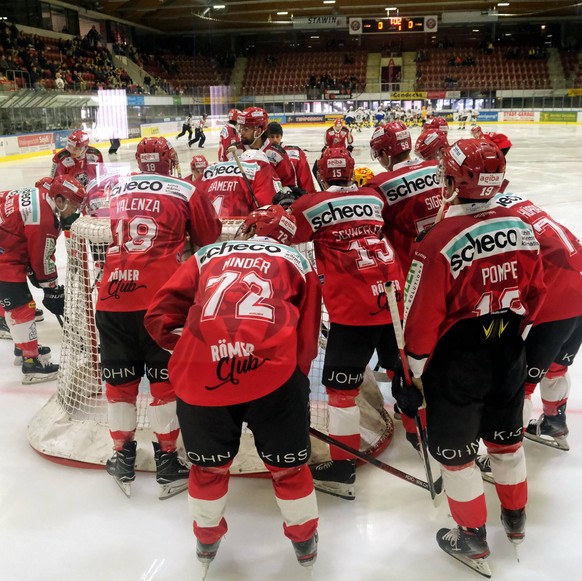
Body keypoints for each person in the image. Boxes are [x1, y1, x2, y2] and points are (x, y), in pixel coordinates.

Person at [392, 139, 546, 576]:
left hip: (460, 360)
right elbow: (538, 294)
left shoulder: (436, 240)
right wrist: (514, 333)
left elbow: (421, 321)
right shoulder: (522, 227)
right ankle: (515, 520)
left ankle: (473, 539)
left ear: (454, 179)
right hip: (509, 347)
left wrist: (414, 372)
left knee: (456, 453)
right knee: (506, 441)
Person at [144, 205, 322, 575]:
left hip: (200, 377)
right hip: (273, 379)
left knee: (208, 471)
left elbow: (159, 316)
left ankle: (206, 538)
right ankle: (304, 540)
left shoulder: (207, 254)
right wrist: (294, 382)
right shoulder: (299, 262)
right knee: (288, 470)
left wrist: (198, 349)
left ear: (245, 229)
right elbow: (307, 342)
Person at [95, 136, 222, 499]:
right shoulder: (185, 189)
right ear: (170, 160)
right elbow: (208, 239)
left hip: (111, 297)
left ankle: (122, 457)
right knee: (164, 385)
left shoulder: (118, 189)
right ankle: (168, 461)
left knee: (120, 386)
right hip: (160, 300)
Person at [289, 147, 404, 500]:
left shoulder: (308, 205)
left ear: (322, 175)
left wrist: (286, 205)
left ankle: (342, 468)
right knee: (405, 374)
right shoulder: (371, 196)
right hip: (394, 299)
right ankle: (425, 440)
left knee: (341, 392)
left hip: (354, 311)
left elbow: (289, 236)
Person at [472, 192, 582, 473]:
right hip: (577, 289)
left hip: (554, 303)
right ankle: (554, 422)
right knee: (555, 367)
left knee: (521, 385)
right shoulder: (516, 201)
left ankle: (505, 459)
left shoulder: (495, 218)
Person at [0, 176, 86, 384]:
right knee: (22, 307)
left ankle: (23, 347)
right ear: (59, 200)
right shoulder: (45, 218)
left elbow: (27, 240)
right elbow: (41, 258)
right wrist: (51, 288)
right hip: (4, 256)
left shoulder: (39, 195)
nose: (73, 211)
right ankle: (32, 363)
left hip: (6, 246)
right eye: (73, 205)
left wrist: (38, 276)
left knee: (15, 303)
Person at [195, 149, 282, 218]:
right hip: (238, 232)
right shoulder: (260, 168)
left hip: (205, 229)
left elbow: (192, 198)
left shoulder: (211, 168)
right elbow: (266, 209)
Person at [237, 107, 297, 188]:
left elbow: (288, 185)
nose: (241, 133)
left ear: (258, 131)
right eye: (240, 128)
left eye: (246, 129)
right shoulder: (233, 151)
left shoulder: (278, 155)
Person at [266, 122, 317, 192]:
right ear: (266, 137)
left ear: (281, 136)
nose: (275, 140)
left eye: (277, 136)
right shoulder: (262, 154)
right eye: (272, 137)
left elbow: (306, 180)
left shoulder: (296, 154)